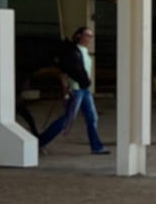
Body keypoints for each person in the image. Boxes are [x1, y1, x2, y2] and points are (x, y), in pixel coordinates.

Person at [38, 26, 109, 155]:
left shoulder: (83, 51)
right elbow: (64, 70)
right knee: (67, 120)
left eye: (91, 36)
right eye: (87, 35)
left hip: (84, 89)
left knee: (92, 117)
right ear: (79, 36)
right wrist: (65, 86)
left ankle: (96, 146)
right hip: (76, 90)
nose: (89, 38)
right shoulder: (71, 51)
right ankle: (40, 141)